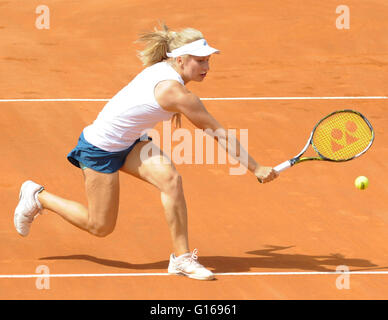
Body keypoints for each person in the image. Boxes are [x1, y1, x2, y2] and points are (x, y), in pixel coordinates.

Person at [14, 23, 278, 281]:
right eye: (200, 61)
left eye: (208, 60)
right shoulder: (176, 93)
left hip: (131, 142)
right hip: (100, 148)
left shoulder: (167, 68)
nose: (207, 68)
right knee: (100, 227)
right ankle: (38, 196)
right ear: (181, 59)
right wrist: (255, 167)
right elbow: (217, 133)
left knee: (171, 180)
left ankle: (181, 258)